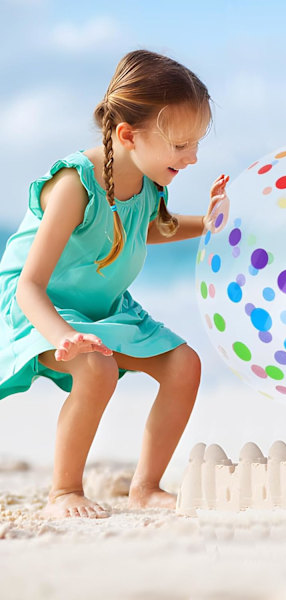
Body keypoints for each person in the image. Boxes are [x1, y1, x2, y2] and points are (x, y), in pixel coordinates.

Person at [0, 50, 230, 519]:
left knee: (184, 365)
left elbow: (148, 227)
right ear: (128, 134)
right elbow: (29, 285)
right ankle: (64, 491)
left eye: (197, 144)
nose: (193, 158)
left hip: (103, 306)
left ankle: (145, 487)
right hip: (40, 306)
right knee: (95, 368)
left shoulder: (148, 181)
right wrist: (64, 336)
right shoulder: (74, 184)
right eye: (181, 145)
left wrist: (208, 223)